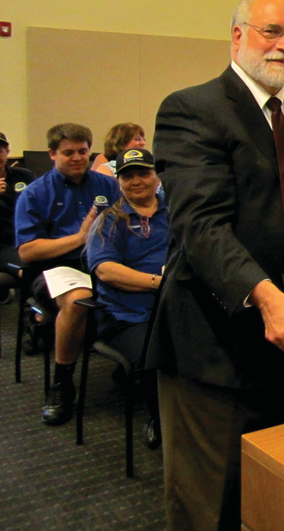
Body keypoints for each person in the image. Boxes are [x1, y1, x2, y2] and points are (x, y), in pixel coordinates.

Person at [151, 0, 284, 531]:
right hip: (217, 349)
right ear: (237, 36)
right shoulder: (193, 109)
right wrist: (265, 295)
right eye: (271, 31)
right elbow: (200, 226)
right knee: (212, 506)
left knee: (278, 498)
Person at [14, 123, 119, 425]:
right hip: (57, 267)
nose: (77, 158)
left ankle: (135, 362)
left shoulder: (108, 185)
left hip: (103, 261)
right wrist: (79, 238)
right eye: (68, 152)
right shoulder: (35, 194)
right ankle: (62, 383)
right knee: (78, 300)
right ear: (52, 154)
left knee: (152, 285)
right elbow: (28, 252)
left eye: (82, 151)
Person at [85, 147, 168, 447]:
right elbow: (106, 271)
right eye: (127, 176)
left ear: (157, 176)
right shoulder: (109, 221)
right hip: (126, 317)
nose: (136, 181)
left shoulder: (177, 213)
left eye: (143, 173)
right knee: (156, 355)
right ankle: (160, 420)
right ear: (118, 182)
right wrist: (159, 283)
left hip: (175, 306)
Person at [1, 131, 35, 276]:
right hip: (3, 245)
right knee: (27, 271)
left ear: (7, 152)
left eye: (0, 151)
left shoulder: (23, 175)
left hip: (28, 239)